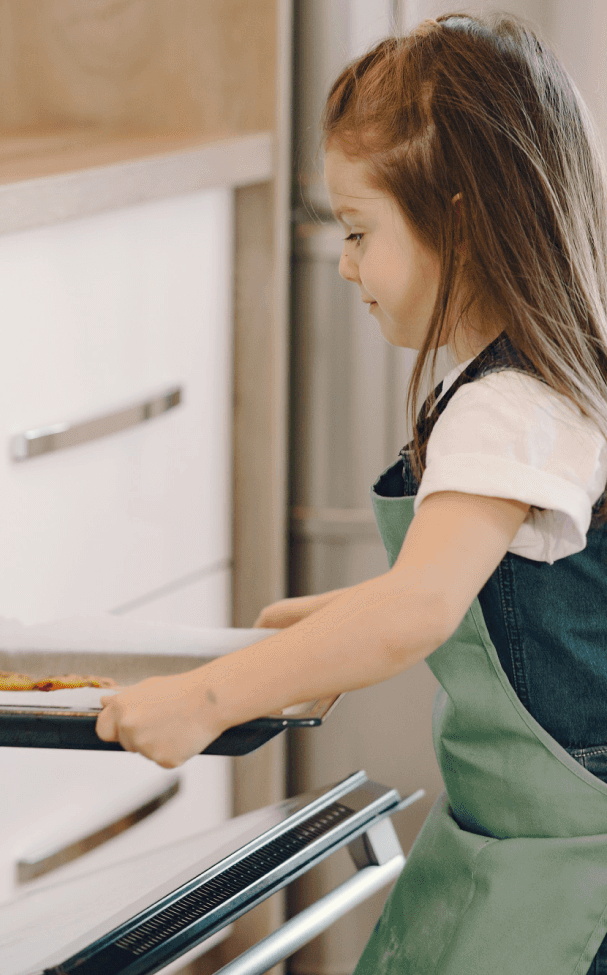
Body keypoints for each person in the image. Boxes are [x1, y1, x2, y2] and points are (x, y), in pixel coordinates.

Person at [95, 14, 607, 974]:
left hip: (572, 867)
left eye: (359, 230)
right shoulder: (547, 376)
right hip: (535, 838)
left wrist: (208, 697)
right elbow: (486, 586)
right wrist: (330, 626)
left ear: (458, 220)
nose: (343, 263)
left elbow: (418, 606)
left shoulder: (508, 406)